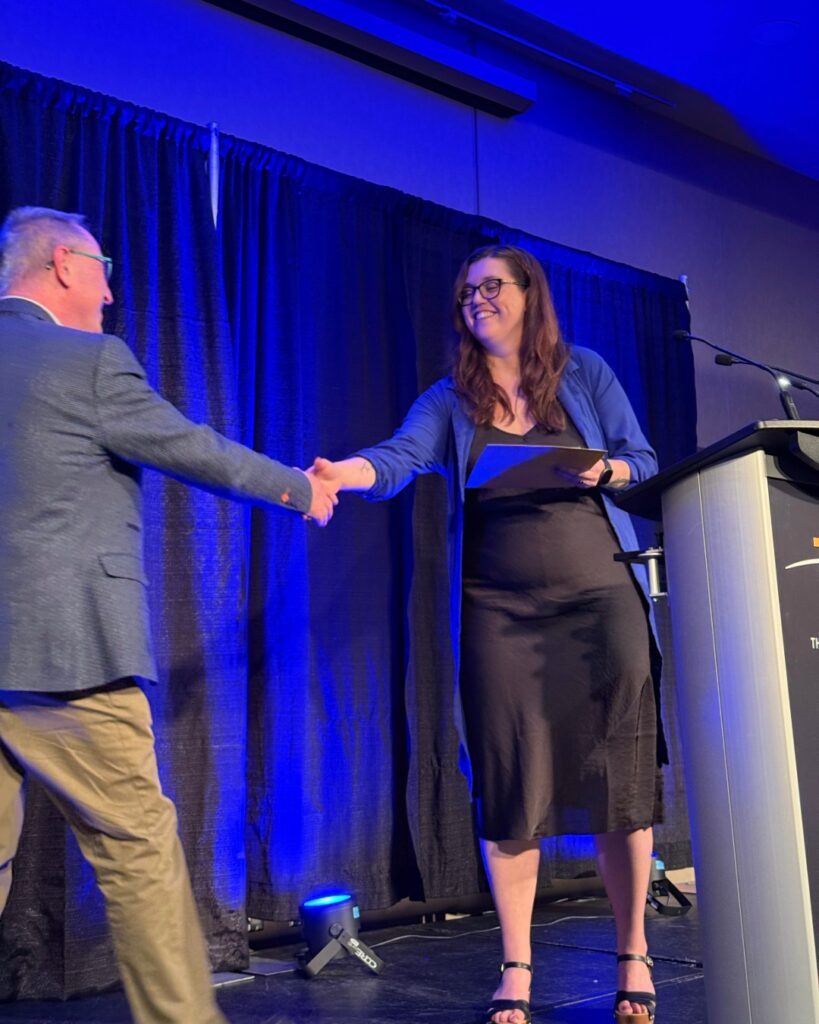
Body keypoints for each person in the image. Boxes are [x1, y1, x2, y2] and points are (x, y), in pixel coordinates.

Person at [0, 206, 339, 1024]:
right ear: (66, 266)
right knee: (138, 851)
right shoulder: (85, 361)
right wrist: (300, 487)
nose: (111, 293)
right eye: (103, 269)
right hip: (63, 655)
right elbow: (194, 448)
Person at [312, 244, 663, 1024]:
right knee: (511, 782)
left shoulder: (585, 372)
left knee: (619, 783)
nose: (476, 299)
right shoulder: (450, 397)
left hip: (599, 602)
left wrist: (603, 471)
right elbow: (398, 458)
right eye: (466, 290)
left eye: (491, 286)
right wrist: (345, 474)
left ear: (528, 294)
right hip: (498, 612)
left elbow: (643, 459)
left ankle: (633, 951)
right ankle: (515, 964)